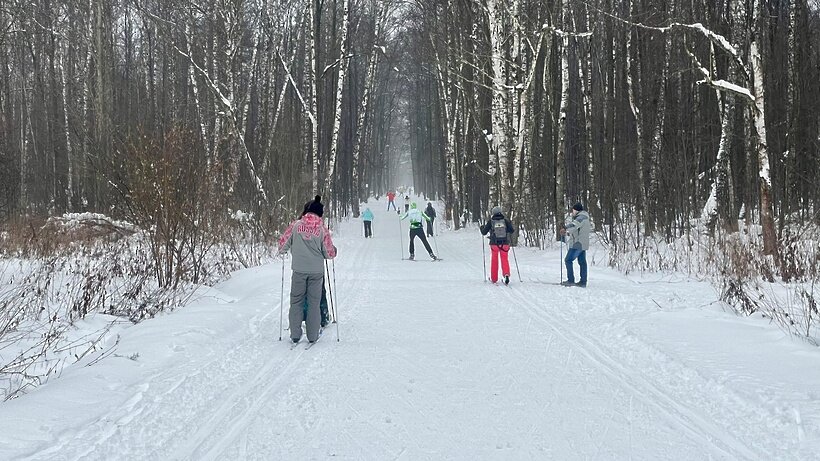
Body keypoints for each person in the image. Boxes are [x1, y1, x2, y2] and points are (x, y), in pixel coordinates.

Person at [278, 195, 337, 343]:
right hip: (316, 272)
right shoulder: (322, 229)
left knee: (296, 301)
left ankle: (295, 334)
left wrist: (287, 249)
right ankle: (312, 335)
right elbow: (329, 253)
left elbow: (282, 246)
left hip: (298, 270)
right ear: (320, 213)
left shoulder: (295, 226)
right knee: (314, 302)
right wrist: (334, 251)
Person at [480, 206, 516, 285]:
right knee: (504, 259)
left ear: (493, 213)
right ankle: (506, 274)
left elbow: (484, 232)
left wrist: (482, 228)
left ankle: (494, 279)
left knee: (494, 260)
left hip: (494, 244)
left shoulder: (491, 221)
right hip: (505, 243)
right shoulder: (505, 221)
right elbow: (512, 230)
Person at [560, 202, 590, 287]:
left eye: (573, 210)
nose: (572, 212)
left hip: (577, 243)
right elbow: (578, 230)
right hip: (583, 243)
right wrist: (567, 233)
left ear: (576, 210)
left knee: (568, 260)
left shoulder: (580, 218)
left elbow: (574, 225)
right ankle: (583, 282)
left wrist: (565, 228)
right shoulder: (586, 217)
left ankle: (570, 280)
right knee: (582, 262)